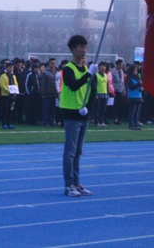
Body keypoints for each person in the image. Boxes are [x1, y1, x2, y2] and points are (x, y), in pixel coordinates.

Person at [60, 35, 96, 197]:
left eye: (85, 47)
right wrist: (88, 74)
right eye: (81, 47)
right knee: (70, 151)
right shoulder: (68, 68)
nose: (84, 50)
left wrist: (88, 107)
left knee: (78, 151)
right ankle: (69, 185)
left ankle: (76, 182)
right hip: (71, 113)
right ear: (73, 49)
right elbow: (73, 86)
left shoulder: (86, 70)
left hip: (83, 114)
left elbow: (92, 92)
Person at [0, 61, 18, 129]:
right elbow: (2, 86)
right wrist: (10, 91)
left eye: (12, 67)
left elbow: (16, 84)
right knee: (5, 110)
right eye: (10, 67)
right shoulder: (3, 76)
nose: (12, 69)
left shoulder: (13, 76)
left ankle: (9, 123)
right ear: (6, 67)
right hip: (5, 95)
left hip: (12, 96)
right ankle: (4, 123)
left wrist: (15, 91)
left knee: (11, 110)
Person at [126, 65, 144, 130]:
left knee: (137, 112)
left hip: (138, 96)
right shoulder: (129, 78)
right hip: (132, 97)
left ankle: (136, 123)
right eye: (135, 70)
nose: (136, 71)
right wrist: (139, 84)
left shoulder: (137, 78)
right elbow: (131, 87)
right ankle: (131, 124)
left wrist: (141, 88)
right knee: (132, 111)